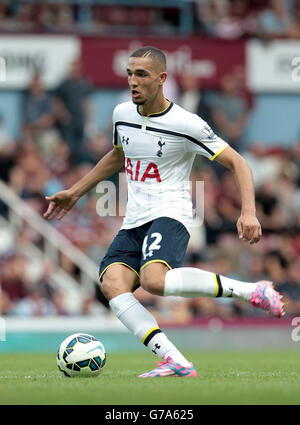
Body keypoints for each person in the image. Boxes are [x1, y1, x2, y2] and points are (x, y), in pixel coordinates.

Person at [43, 46, 284, 379]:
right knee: (112, 283)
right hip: (135, 218)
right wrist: (74, 192)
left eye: (141, 74)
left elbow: (238, 163)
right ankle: (174, 359)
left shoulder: (186, 124)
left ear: (161, 79)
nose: (133, 81)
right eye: (129, 73)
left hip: (172, 212)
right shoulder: (121, 114)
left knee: (154, 280)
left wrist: (249, 212)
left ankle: (250, 291)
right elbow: (117, 156)